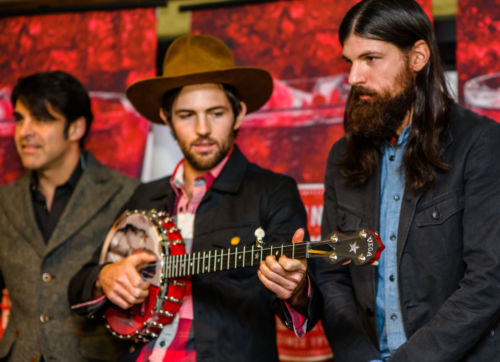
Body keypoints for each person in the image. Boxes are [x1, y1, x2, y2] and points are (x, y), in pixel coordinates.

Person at [69, 34, 312, 362]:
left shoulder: (271, 192)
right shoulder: (145, 195)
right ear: (166, 118)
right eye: (186, 115)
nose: (202, 129)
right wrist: (105, 278)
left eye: (215, 113)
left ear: (238, 113)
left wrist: (296, 290)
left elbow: (297, 303)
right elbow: (79, 283)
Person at [307, 0, 500, 361]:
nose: (353, 78)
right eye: (349, 62)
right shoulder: (341, 156)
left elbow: (489, 281)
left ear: (417, 57)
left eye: (371, 59)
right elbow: (333, 274)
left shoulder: (480, 143)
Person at [0, 71, 138, 361]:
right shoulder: (5, 201)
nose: (25, 131)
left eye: (41, 119)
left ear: (75, 129)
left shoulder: (125, 195)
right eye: (20, 118)